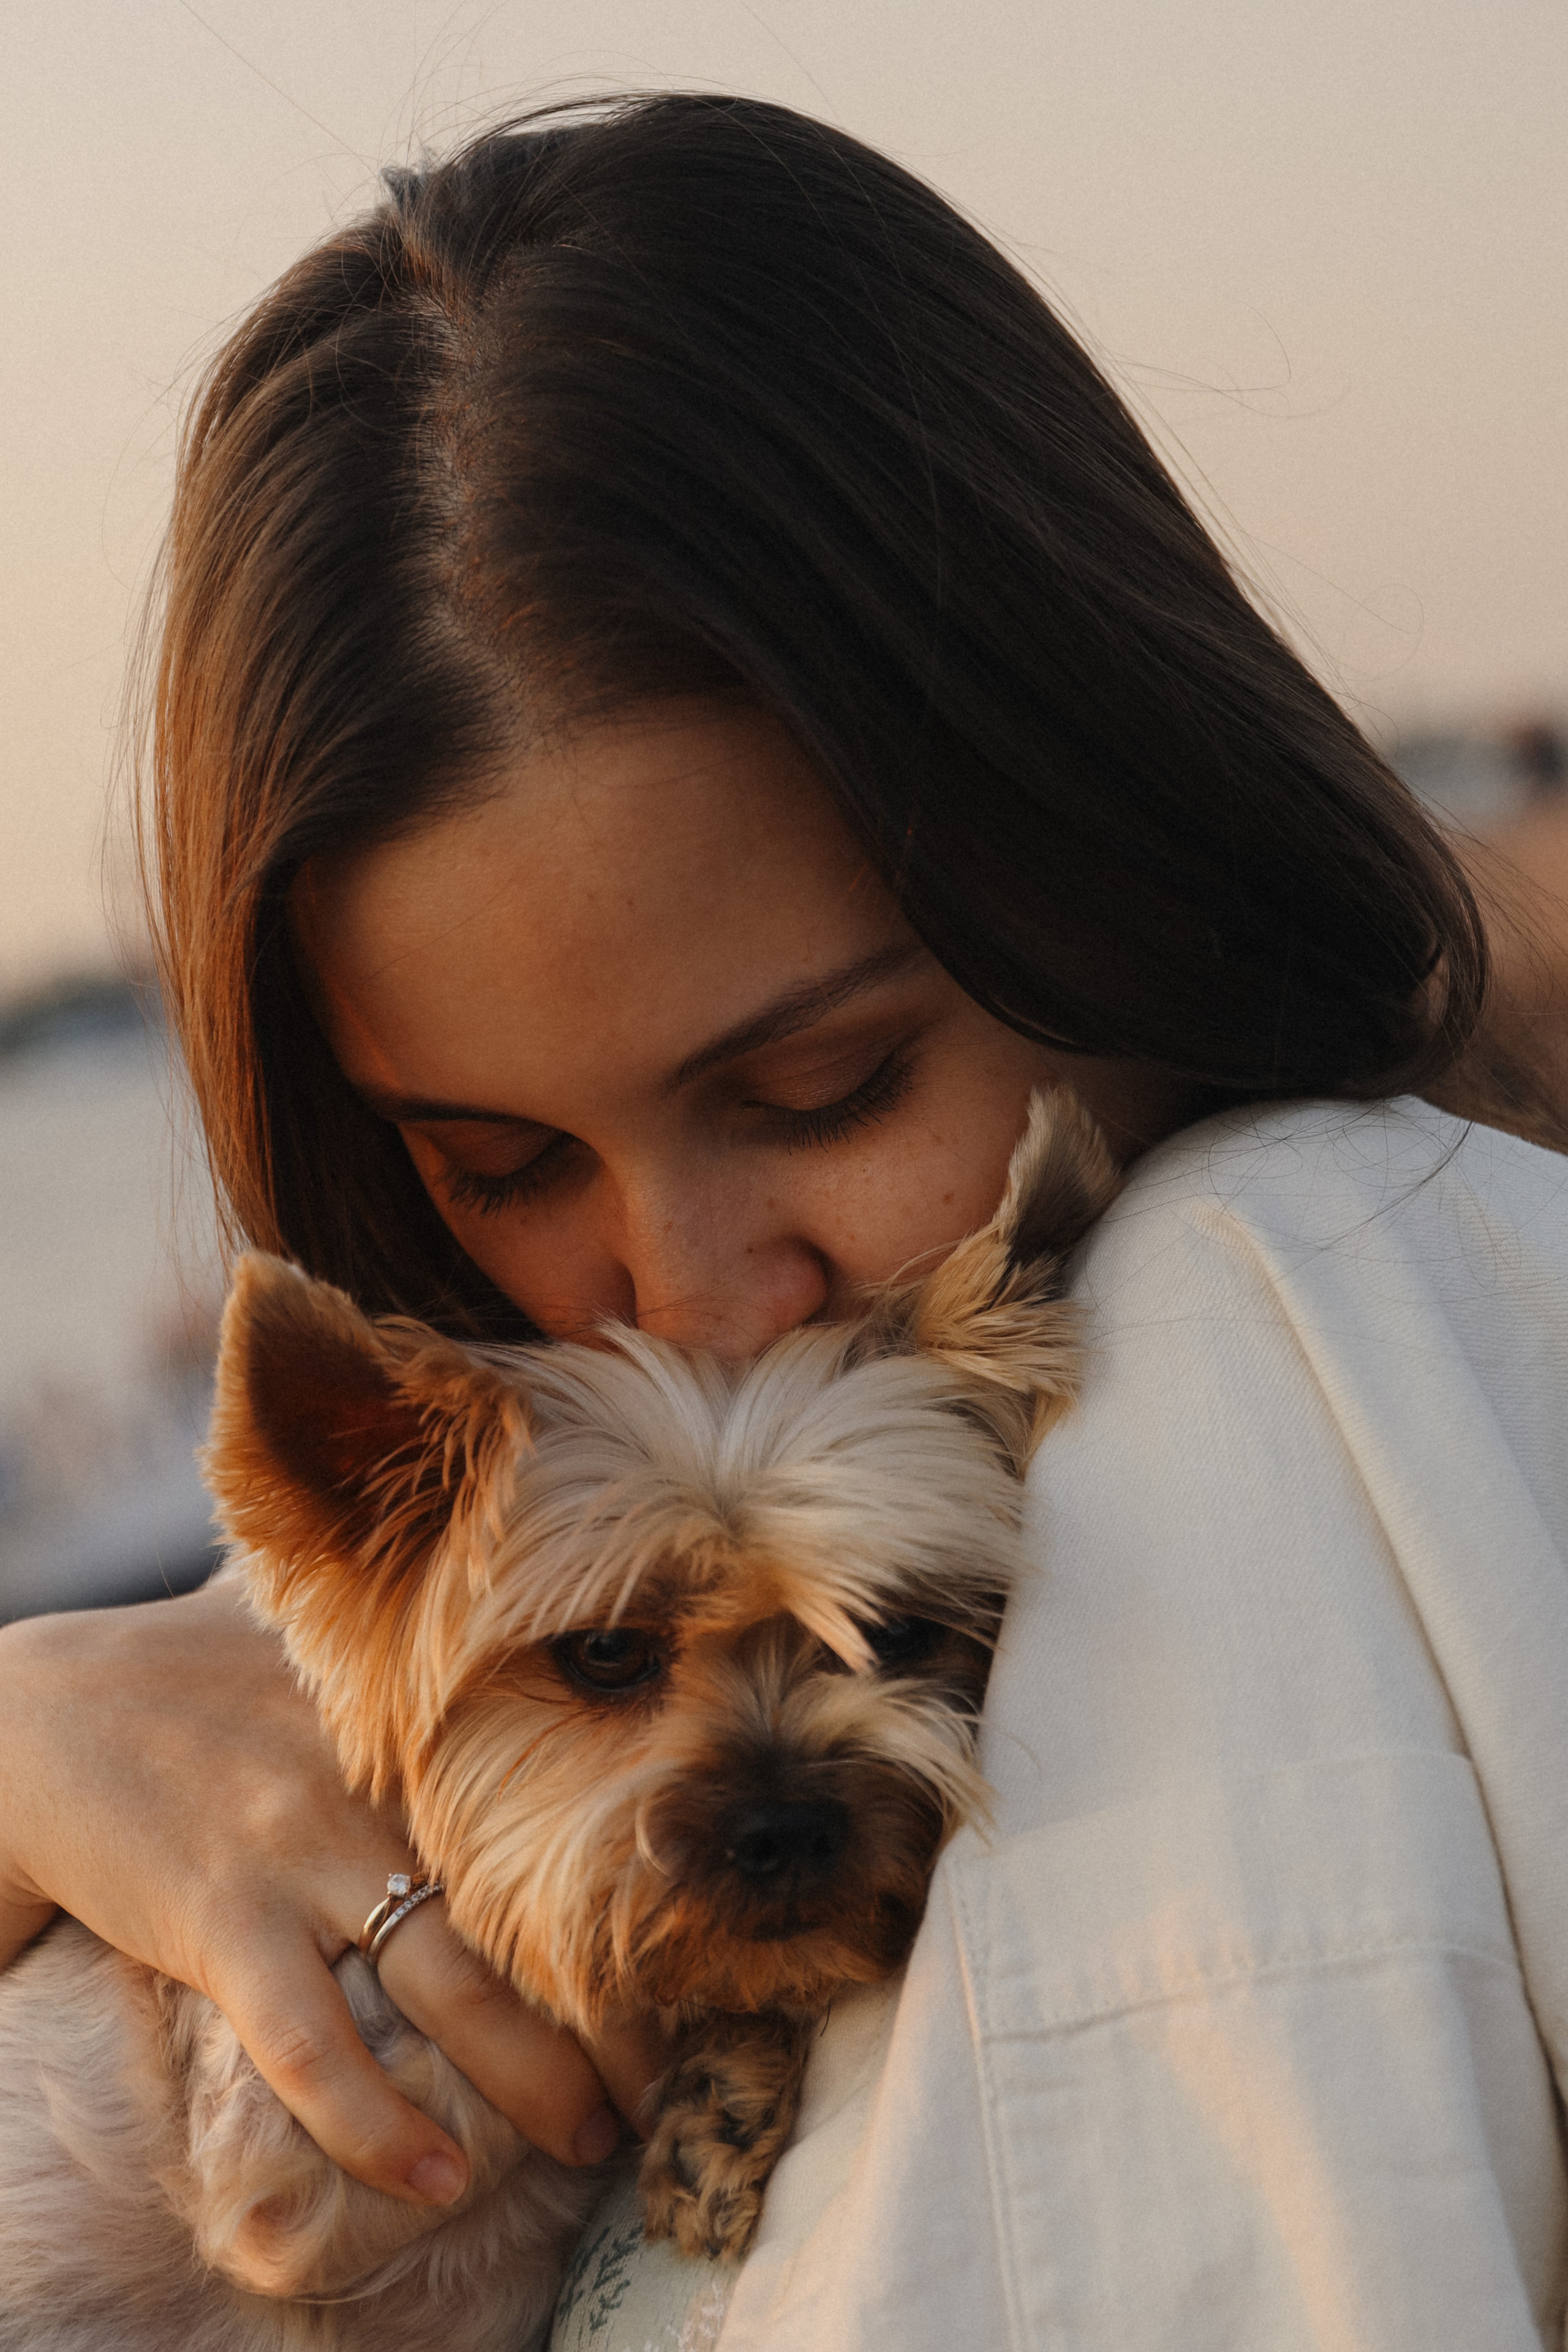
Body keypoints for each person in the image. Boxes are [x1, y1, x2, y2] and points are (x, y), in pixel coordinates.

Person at [2, 92, 1566, 2349]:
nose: (697, 1300)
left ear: (1118, 846)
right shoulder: (433, 1562)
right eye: (502, 1169)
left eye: (825, 1087)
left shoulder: (1305, 1317)